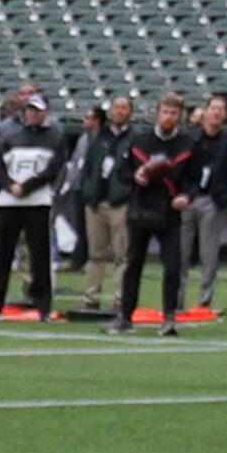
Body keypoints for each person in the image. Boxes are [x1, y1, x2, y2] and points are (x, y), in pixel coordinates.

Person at [111, 91, 197, 336]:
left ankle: (169, 317)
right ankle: (125, 315)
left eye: (174, 113)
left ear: (179, 116)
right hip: (141, 208)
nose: (169, 117)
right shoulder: (140, 142)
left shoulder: (187, 145)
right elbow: (122, 172)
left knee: (172, 266)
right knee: (133, 263)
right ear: (157, 114)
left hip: (169, 211)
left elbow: (195, 179)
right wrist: (136, 177)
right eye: (165, 111)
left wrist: (186, 196)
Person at [0, 91, 68, 320]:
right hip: (9, 201)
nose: (32, 113)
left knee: (39, 255)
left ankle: (42, 304)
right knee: (3, 254)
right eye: (29, 109)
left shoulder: (55, 137)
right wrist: (11, 186)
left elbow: (53, 169)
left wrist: (27, 186)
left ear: (45, 113)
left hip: (38, 202)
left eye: (37, 110)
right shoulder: (10, 136)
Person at [76, 94, 135, 311]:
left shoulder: (134, 139)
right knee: (95, 253)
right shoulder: (98, 138)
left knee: (122, 254)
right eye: (116, 108)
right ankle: (91, 297)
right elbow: (88, 168)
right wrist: (87, 193)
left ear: (130, 112)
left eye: (124, 108)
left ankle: (120, 299)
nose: (119, 112)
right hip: (96, 202)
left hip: (119, 203)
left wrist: (125, 193)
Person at [187, 94, 227, 313]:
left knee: (209, 254)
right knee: (180, 253)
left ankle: (204, 300)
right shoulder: (190, 138)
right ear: (205, 112)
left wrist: (223, 198)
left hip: (212, 200)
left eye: (221, 109)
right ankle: (175, 299)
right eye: (213, 108)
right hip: (188, 199)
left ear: (225, 114)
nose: (217, 112)